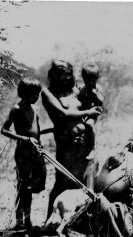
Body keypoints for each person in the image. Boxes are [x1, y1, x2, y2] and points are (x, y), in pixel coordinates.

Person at [41, 60, 102, 221]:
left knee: (83, 182)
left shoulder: (75, 90)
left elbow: (95, 109)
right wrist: (88, 112)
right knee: (62, 181)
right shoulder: (47, 93)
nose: (68, 78)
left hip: (86, 142)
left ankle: (78, 221)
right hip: (66, 144)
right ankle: (50, 220)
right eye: (63, 75)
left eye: (69, 74)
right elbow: (63, 114)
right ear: (54, 76)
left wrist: (90, 122)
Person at [1, 77, 52, 230]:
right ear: (24, 93)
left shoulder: (35, 109)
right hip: (23, 153)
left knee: (32, 187)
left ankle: (28, 221)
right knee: (23, 187)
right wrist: (24, 138)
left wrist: (41, 144)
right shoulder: (17, 108)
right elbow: (4, 130)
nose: (36, 97)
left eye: (37, 94)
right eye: (33, 94)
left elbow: (37, 132)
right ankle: (19, 222)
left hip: (35, 152)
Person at [77, 64, 104, 159]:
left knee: (89, 125)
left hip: (94, 112)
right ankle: (80, 148)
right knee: (78, 128)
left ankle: (92, 148)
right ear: (84, 79)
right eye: (88, 80)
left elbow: (100, 102)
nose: (91, 82)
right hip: (83, 111)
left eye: (94, 80)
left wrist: (94, 94)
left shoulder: (97, 88)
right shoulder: (81, 88)